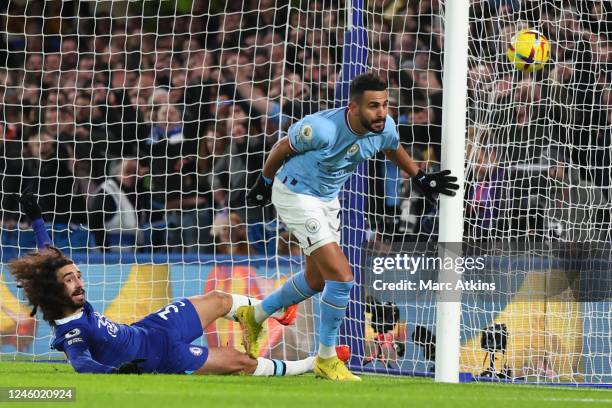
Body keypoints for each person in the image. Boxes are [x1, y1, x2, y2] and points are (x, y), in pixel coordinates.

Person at [242, 72, 459, 381]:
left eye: (385, 104)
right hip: (295, 193)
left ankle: (257, 314)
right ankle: (326, 358)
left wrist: (419, 176)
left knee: (316, 280)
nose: (382, 112)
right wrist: (264, 182)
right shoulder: (321, 129)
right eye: (373, 106)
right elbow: (281, 148)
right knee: (342, 277)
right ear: (353, 108)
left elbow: (392, 147)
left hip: (328, 199)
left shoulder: (384, 127)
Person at [9, 193, 311, 376]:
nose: (78, 283)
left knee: (219, 299)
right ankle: (310, 365)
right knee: (242, 362)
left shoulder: (71, 301)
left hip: (153, 328)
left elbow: (49, 255)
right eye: (69, 279)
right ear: (54, 290)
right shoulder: (71, 330)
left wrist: (36, 218)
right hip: (162, 357)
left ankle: (273, 311)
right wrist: (115, 373)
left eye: (78, 275)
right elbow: (81, 363)